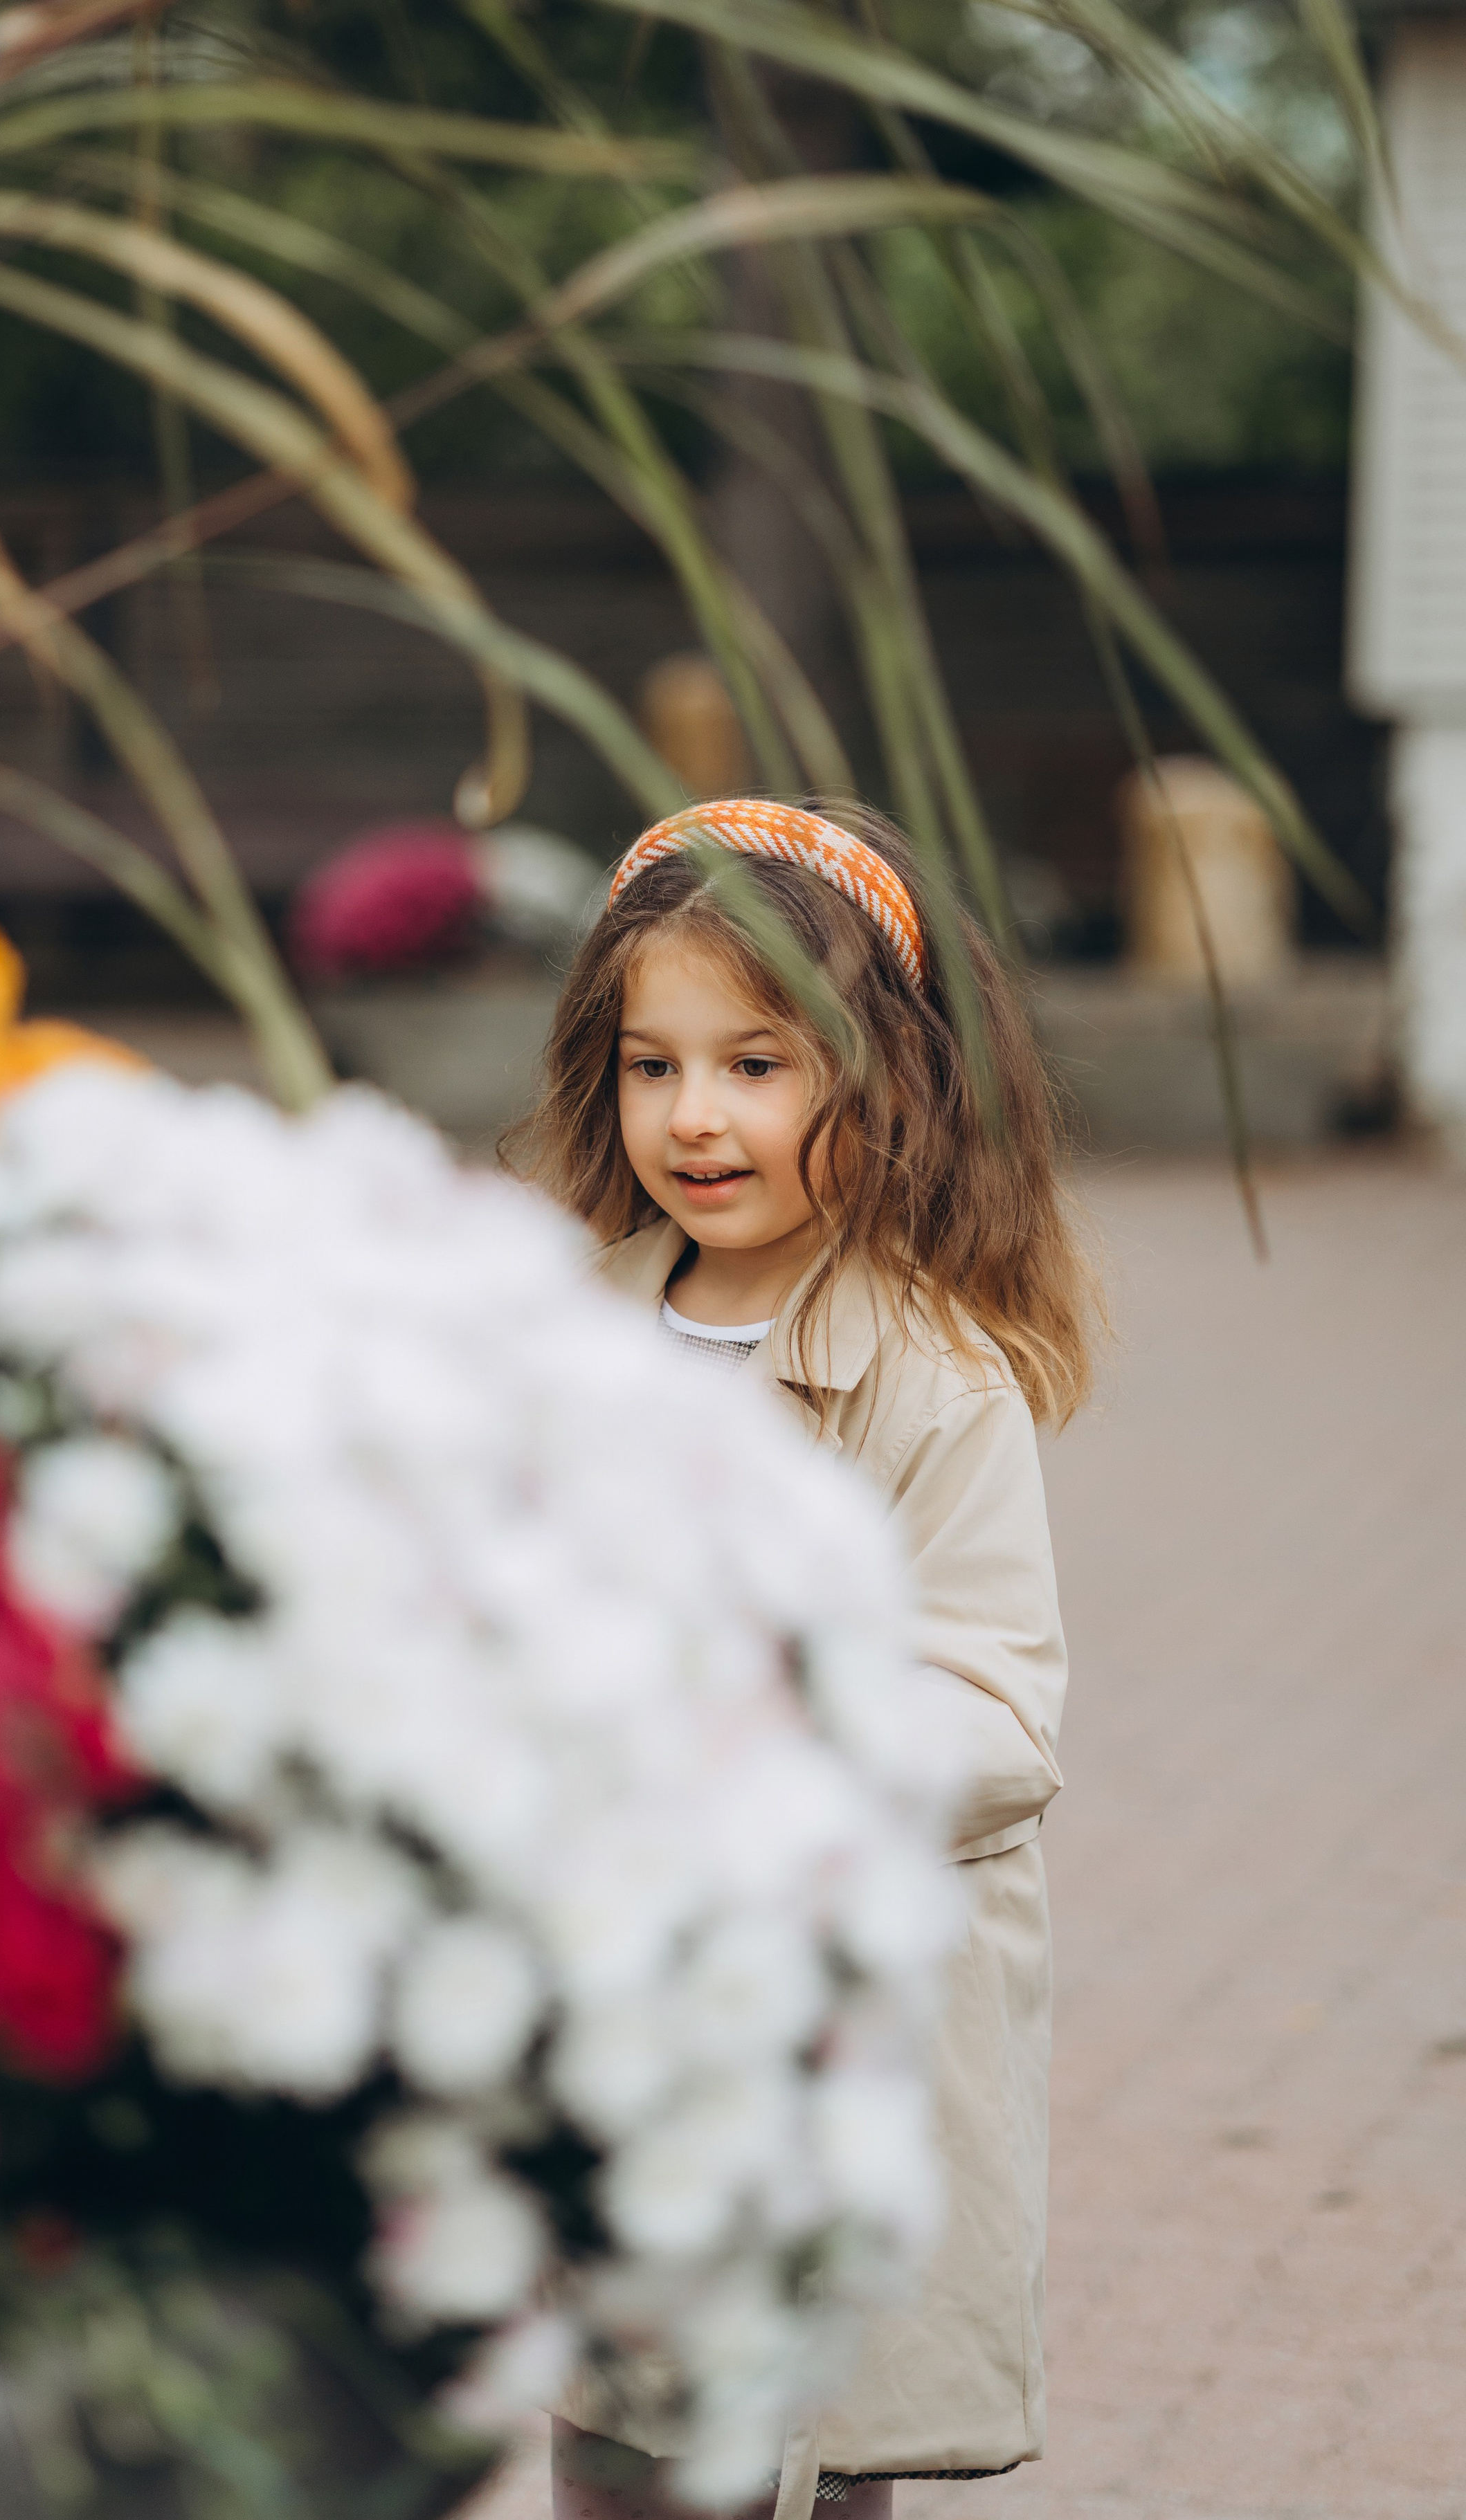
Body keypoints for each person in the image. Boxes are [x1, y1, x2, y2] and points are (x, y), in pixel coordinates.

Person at [505, 798, 1097, 2520]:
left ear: (882, 1081)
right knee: (612, 2421)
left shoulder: (930, 1377)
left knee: (799, 2446)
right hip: (615, 1999)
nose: (694, 1117)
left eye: (756, 1066)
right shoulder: (565, 1333)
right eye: (651, 1066)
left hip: (829, 2026)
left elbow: (995, 1715)